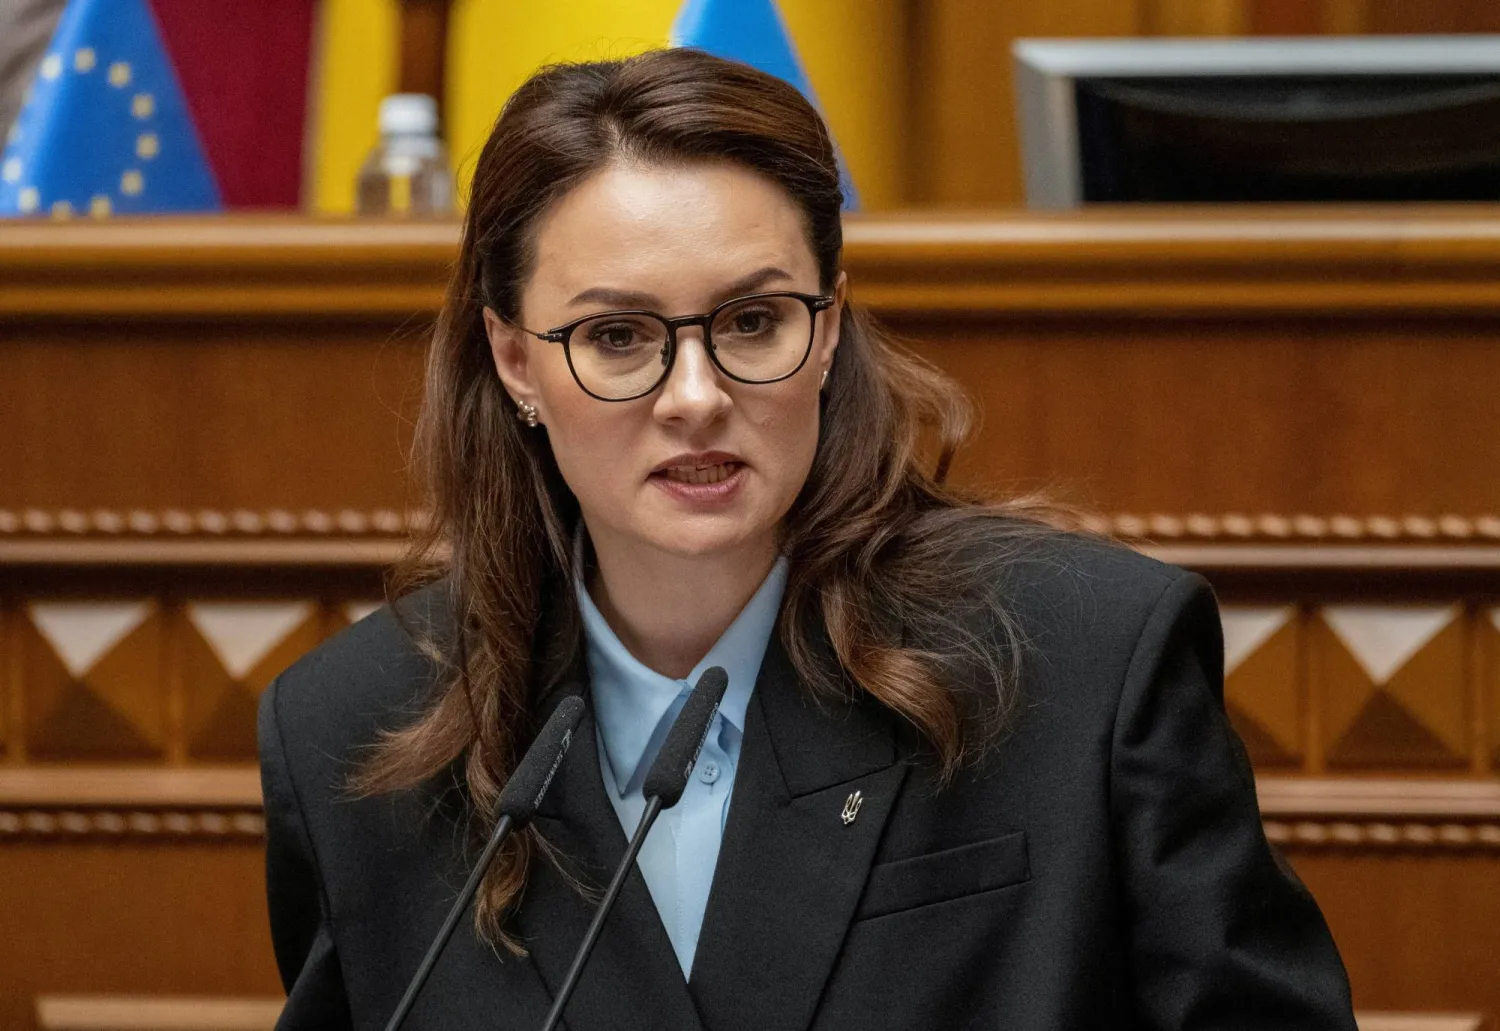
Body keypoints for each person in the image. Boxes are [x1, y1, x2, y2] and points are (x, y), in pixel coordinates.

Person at [258, 48, 1356, 1031]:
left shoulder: (1086, 660)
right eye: (618, 336)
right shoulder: (351, 734)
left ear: (826, 328)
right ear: (513, 360)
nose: (696, 396)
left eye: (751, 321)